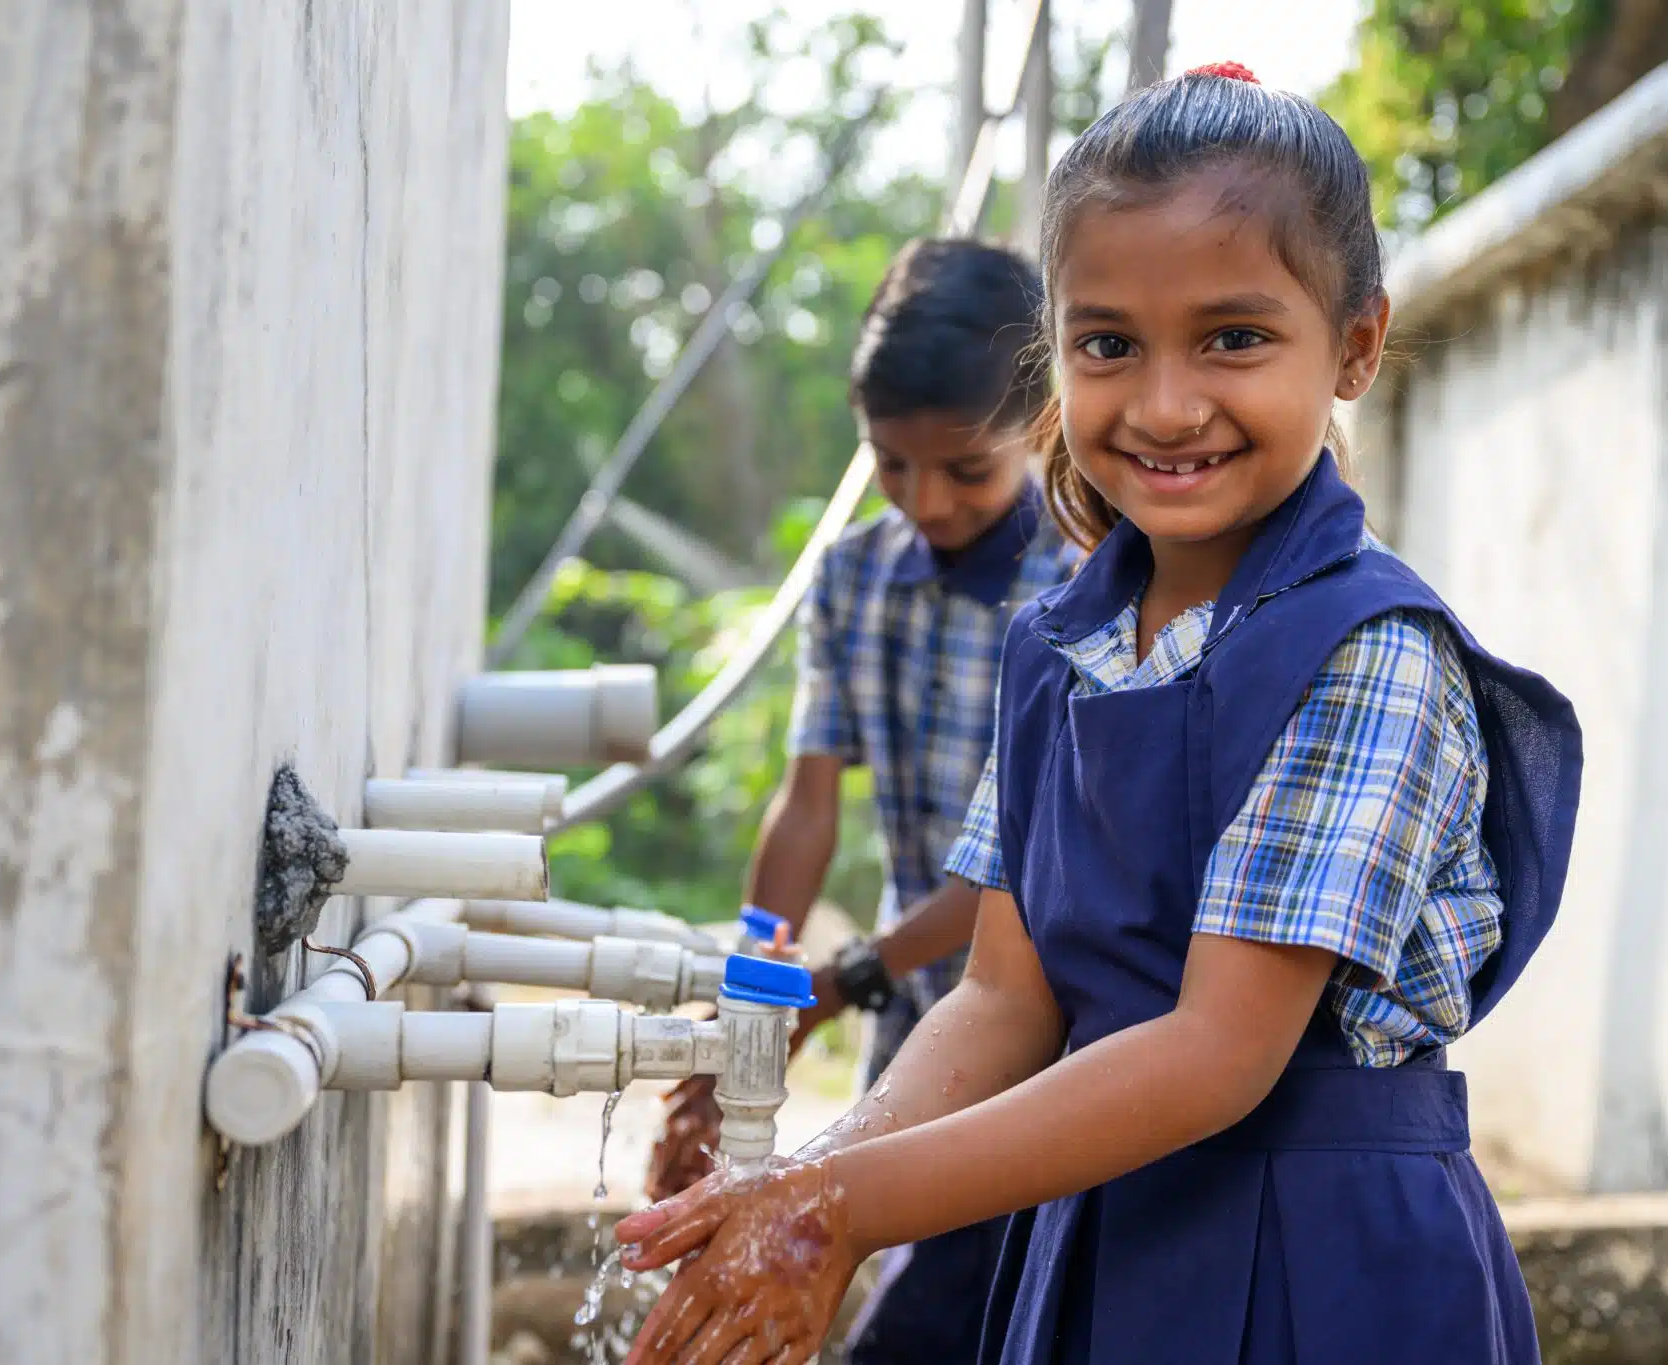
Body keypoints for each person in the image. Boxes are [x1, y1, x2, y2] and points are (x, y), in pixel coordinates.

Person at [614, 59, 1587, 1365]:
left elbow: (1212, 1053)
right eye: (1109, 344)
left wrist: (838, 1205)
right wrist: (805, 1179)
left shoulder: (1368, 657)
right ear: (1056, 355)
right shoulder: (1057, 646)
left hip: (1325, 1266)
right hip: (1102, 1237)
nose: (1167, 403)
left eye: (1235, 337)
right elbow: (1003, 1000)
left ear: (1354, 344)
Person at [640, 236, 1078, 1364]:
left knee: (944, 1317)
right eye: (890, 465)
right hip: (916, 1012)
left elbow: (1030, 869)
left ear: (1039, 428)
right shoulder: (853, 577)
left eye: (964, 472)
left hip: (1064, 1029)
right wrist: (743, 999)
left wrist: (835, 983)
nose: (924, 500)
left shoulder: (1092, 586)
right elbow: (805, 812)